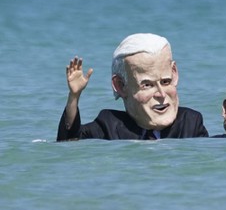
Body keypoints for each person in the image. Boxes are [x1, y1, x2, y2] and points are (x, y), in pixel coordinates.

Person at [57, 33, 208, 141]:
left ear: (174, 73)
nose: (161, 94)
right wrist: (74, 97)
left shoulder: (191, 123)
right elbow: (70, 142)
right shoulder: (108, 125)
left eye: (165, 82)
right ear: (120, 86)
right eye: (147, 85)